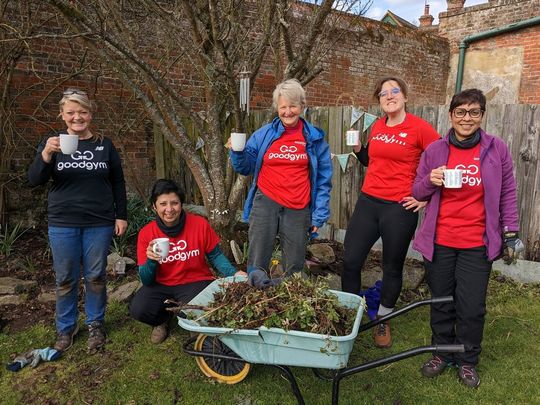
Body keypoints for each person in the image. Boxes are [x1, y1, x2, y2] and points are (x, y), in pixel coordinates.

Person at [413, 88, 522, 388]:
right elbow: (417, 191)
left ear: (482, 116)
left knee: (471, 305)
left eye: (474, 112)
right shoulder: (435, 150)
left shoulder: (496, 149)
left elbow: (508, 194)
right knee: (442, 301)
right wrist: (430, 180)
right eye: (460, 112)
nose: (467, 118)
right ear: (451, 116)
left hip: (476, 243)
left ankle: (468, 359)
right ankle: (442, 353)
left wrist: (510, 232)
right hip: (440, 242)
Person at [341, 76, 440, 348]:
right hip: (368, 203)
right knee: (350, 260)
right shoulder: (377, 127)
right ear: (379, 100)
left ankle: (382, 318)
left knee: (392, 267)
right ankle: (350, 315)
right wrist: (359, 150)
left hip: (399, 208)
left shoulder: (419, 128)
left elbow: (443, 159)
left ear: (405, 96)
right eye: (383, 93)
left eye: (394, 91)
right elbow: (372, 160)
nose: (389, 96)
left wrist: (425, 196)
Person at [28, 88, 128, 352]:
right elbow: (34, 180)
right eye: (71, 112)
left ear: (90, 114)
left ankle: (96, 324)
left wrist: (121, 215)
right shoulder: (52, 144)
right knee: (65, 278)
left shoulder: (104, 144)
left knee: (95, 276)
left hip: (100, 222)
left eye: (82, 112)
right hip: (63, 222)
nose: (77, 117)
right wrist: (46, 155)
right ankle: (66, 328)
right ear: (62, 116)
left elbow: (118, 181)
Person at [228, 79, 333, 283]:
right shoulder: (264, 134)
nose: (287, 112)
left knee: (294, 264)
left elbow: (323, 181)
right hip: (266, 201)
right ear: (277, 107)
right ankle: (256, 299)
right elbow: (245, 167)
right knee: (257, 259)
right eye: (283, 107)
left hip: (298, 205)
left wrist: (319, 214)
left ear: (302, 106)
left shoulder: (314, 139)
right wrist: (237, 152)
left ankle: (289, 303)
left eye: (292, 106)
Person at [129, 179, 247, 344]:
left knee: (199, 310)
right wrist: (151, 261)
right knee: (139, 309)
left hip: (195, 280)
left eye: (174, 203)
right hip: (161, 284)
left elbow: (215, 256)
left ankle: (193, 324)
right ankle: (162, 320)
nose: (169, 209)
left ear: (181, 204)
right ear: (154, 206)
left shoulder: (199, 224)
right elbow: (147, 280)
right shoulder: (147, 233)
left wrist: (233, 273)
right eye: (163, 204)